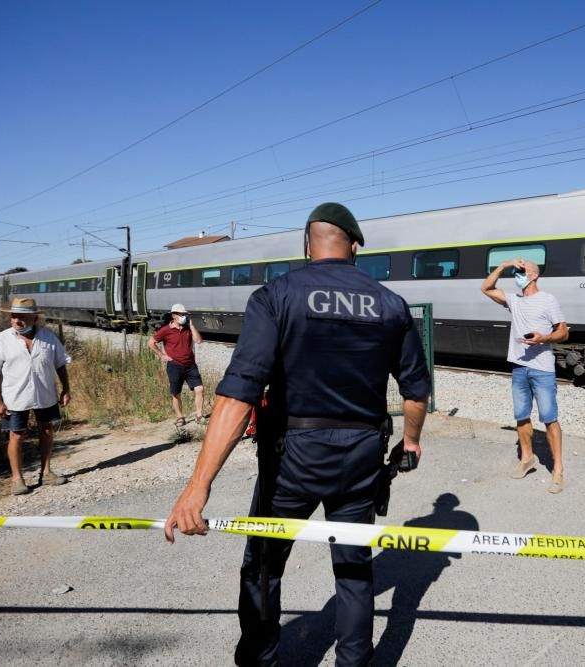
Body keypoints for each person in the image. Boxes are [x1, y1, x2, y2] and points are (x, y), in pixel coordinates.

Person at [165, 202, 431, 667]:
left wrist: (198, 485)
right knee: (353, 570)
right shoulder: (390, 303)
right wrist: (409, 441)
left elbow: (237, 395)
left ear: (308, 246)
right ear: (355, 247)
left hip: (293, 457)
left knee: (264, 565)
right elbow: (415, 393)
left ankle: (261, 659)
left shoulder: (276, 296)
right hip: (361, 457)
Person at [481, 258, 568, 494]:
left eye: (521, 271)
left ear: (534, 275)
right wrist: (503, 265)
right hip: (519, 367)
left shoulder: (548, 300)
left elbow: (563, 332)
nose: (517, 275)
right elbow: (486, 288)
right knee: (521, 416)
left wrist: (544, 338)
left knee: (549, 418)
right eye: (515, 272)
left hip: (542, 369)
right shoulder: (514, 300)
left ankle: (558, 469)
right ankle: (527, 459)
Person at [0, 297, 71, 495]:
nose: (16, 320)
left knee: (46, 430)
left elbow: (60, 364)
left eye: (21, 317)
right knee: (17, 434)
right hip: (15, 396)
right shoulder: (1, 339)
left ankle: (46, 472)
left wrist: (66, 389)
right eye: (13, 316)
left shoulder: (48, 338)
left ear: (34, 318)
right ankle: (17, 479)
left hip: (45, 393)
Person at [149, 304, 205, 426]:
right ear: (174, 315)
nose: (183, 316)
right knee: (176, 393)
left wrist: (191, 326)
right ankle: (180, 417)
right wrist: (161, 355)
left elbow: (198, 341)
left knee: (200, 389)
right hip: (175, 366)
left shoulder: (187, 328)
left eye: (184, 314)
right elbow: (151, 342)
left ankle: (199, 415)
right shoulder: (165, 330)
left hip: (190, 365)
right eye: (181, 314)